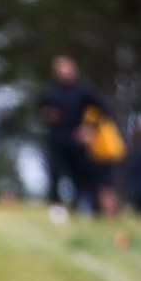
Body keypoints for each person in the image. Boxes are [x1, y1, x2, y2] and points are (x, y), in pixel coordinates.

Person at [37, 55, 109, 215]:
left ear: (73, 70)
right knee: (55, 172)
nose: (64, 72)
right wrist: (48, 115)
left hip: (77, 141)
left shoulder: (83, 91)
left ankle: (80, 208)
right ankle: (55, 207)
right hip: (56, 139)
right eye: (60, 69)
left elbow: (104, 109)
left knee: (80, 176)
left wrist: (89, 129)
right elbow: (41, 110)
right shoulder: (50, 92)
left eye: (66, 68)